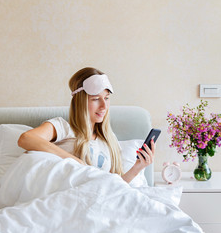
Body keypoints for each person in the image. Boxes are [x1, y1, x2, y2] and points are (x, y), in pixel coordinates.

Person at [18, 67, 155, 183]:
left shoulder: (108, 140)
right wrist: (75, 162)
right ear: (80, 102)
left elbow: (115, 187)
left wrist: (138, 167)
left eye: (106, 98)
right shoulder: (63, 127)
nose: (103, 106)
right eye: (95, 99)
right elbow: (26, 138)